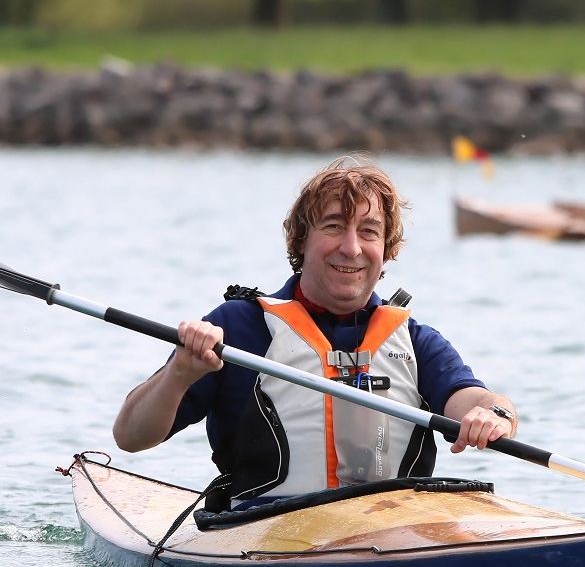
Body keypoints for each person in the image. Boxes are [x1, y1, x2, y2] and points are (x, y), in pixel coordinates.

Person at [113, 155, 518, 509]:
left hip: (391, 532)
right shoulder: (237, 327)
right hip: (265, 534)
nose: (351, 248)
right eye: (334, 226)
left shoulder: (415, 340)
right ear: (301, 240)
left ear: (387, 248)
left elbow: (477, 398)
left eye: (368, 231)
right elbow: (130, 436)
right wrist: (181, 374)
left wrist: (493, 415)